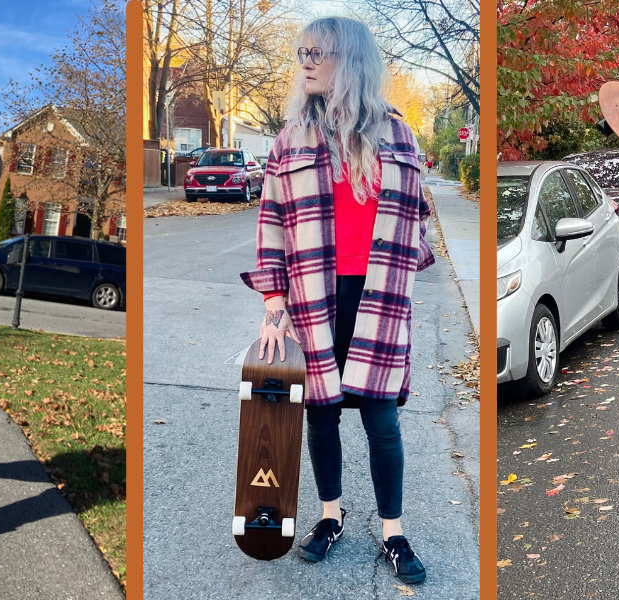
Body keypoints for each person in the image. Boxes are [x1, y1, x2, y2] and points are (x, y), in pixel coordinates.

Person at [239, 16, 434, 584]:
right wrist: (273, 303)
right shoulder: (289, 141)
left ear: (349, 59)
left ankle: (393, 531)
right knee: (321, 415)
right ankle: (331, 516)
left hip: (379, 296)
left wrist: (406, 264)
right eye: (302, 51)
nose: (305, 61)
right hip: (312, 296)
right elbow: (272, 226)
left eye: (317, 52)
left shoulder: (399, 135)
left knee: (381, 420)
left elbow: (419, 215)